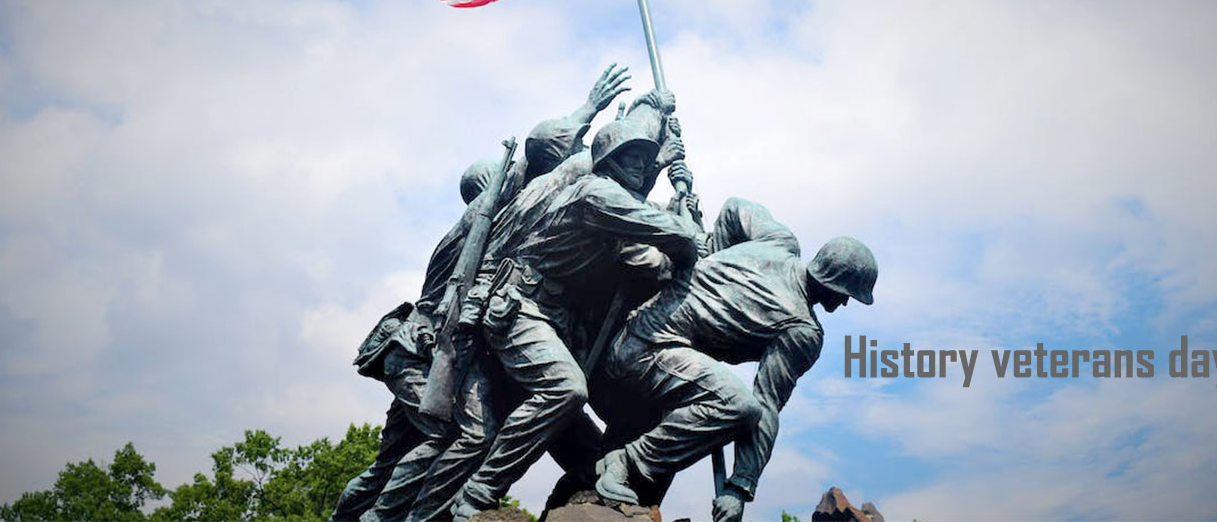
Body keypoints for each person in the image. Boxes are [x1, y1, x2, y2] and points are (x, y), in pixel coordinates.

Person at [331, 65, 630, 522]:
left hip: (437, 351)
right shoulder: (479, 221)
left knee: (391, 463)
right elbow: (538, 161)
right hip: (421, 351)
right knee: (464, 434)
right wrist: (591, 111)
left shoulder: (495, 230)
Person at [446, 109, 704, 522]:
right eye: (633, 156)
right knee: (566, 389)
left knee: (588, 452)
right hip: (520, 307)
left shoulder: (610, 197)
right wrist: (688, 234)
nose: (641, 164)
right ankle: (477, 494)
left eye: (645, 157)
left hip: (549, 319)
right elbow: (668, 234)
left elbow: (650, 257)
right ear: (612, 161)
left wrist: (679, 206)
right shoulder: (595, 193)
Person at [593, 197, 877, 522]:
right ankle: (625, 463)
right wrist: (739, 488)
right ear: (835, 284)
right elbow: (766, 405)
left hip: (640, 332)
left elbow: (734, 209)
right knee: (739, 407)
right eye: (846, 295)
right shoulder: (802, 331)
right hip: (647, 352)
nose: (843, 304)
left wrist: (712, 259)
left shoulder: (780, 241)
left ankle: (617, 477)